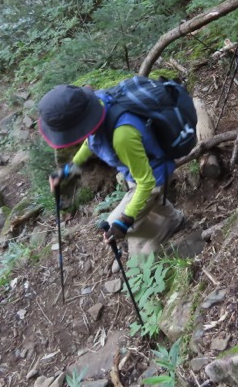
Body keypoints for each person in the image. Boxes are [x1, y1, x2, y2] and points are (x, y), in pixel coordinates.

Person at [39, 83, 183, 257]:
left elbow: (147, 183)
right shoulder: (96, 106)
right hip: (137, 168)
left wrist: (124, 222)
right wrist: (70, 168)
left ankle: (162, 233)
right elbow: (91, 141)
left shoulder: (122, 136)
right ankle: (176, 220)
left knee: (112, 224)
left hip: (152, 175)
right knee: (152, 200)